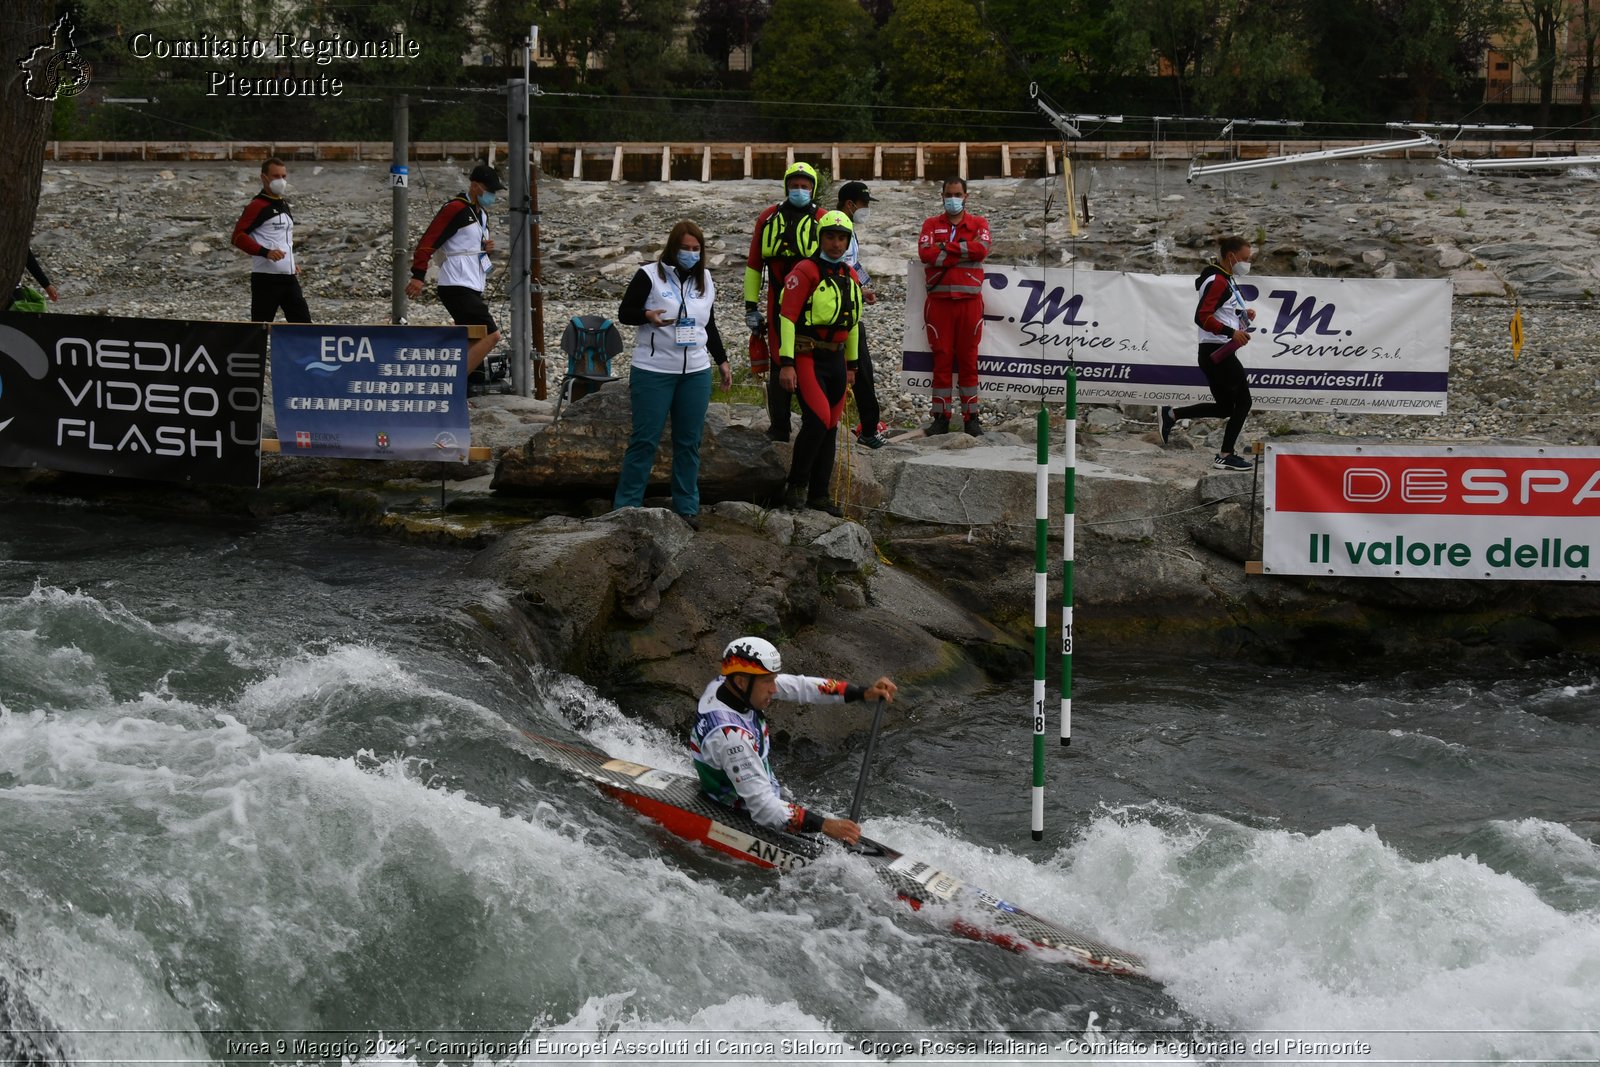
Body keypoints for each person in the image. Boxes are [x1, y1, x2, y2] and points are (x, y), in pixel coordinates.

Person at [690, 636, 898, 846]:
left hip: (753, 793)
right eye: (767, 682)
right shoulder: (731, 737)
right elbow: (764, 809)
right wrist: (825, 825)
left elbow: (802, 687)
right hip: (743, 815)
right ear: (742, 682)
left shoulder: (727, 684)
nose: (774, 688)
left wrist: (863, 693)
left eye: (773, 679)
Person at [613, 220, 732, 531]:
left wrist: (722, 361)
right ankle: (626, 506)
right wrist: (646, 316)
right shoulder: (649, 275)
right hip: (653, 370)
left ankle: (686, 508)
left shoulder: (705, 279)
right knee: (644, 440)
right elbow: (625, 312)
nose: (691, 254)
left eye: (696, 249)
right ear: (673, 247)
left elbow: (709, 324)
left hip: (695, 371)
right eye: (685, 248)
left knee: (689, 442)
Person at [777, 210, 863, 515]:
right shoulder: (806, 271)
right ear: (820, 238)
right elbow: (786, 317)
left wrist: (852, 366)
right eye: (830, 237)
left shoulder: (850, 276)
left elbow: (852, 324)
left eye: (842, 238)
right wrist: (786, 363)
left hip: (837, 360)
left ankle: (820, 493)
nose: (836, 244)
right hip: (808, 356)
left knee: (830, 426)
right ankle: (796, 486)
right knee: (816, 422)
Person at [1160, 236, 1257, 471]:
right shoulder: (1218, 281)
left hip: (1214, 351)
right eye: (1244, 259)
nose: (1247, 263)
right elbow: (1202, 317)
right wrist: (1231, 332)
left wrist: (1243, 315)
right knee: (1244, 402)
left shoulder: (1224, 278)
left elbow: (1219, 311)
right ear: (1230, 256)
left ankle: (1172, 415)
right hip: (1218, 351)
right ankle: (1225, 455)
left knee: (1225, 407)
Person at [744, 161, 826, 443]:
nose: (799, 190)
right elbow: (755, 265)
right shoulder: (768, 217)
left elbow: (842, 260)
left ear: (813, 189)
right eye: (794, 186)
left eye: (805, 186)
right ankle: (779, 425)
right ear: (786, 186)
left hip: (813, 302)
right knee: (779, 358)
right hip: (777, 299)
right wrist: (750, 307)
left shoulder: (823, 219)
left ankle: (812, 421)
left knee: (808, 357)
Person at [405, 162, 503, 374]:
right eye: (490, 189)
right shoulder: (455, 209)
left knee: (472, 337)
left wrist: (486, 249)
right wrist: (418, 275)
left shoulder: (483, 215)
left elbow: (469, 245)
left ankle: (458, 384)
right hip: (456, 283)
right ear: (475, 186)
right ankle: (452, 384)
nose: (492, 194)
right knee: (491, 335)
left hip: (474, 283)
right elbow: (428, 240)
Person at [918, 176, 991, 436]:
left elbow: (981, 249)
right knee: (942, 361)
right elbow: (925, 254)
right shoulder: (930, 223)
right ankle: (941, 417)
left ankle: (971, 418)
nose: (953, 198)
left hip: (969, 302)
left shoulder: (978, 223)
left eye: (957, 194)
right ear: (942, 195)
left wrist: (946, 249)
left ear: (966, 196)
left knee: (969, 361)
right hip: (939, 303)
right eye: (949, 194)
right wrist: (961, 251)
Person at [836, 180, 887, 449]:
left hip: (852, 305)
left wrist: (865, 286)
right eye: (864, 204)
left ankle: (866, 426)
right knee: (860, 370)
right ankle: (868, 428)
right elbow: (841, 266)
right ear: (850, 204)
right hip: (841, 312)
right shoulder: (837, 230)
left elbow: (853, 263)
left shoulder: (850, 231)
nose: (866, 209)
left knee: (859, 368)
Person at [230, 157, 311, 323]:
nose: (281, 181)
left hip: (289, 278)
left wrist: (290, 262)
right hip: (266, 279)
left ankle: (302, 350)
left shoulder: (283, 204)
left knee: (304, 325)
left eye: (284, 176)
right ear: (264, 178)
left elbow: (281, 239)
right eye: (276, 176)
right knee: (260, 327)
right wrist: (265, 252)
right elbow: (238, 236)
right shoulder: (257, 205)